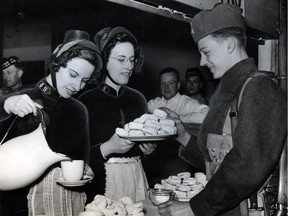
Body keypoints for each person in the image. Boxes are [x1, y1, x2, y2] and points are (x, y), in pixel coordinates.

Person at [158, 3, 287, 216]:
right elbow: (217, 162)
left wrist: (194, 208)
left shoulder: (259, 88)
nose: (202, 61)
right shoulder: (226, 90)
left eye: (206, 52)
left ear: (229, 44)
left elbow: (246, 166)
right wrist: (182, 134)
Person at [0, 29, 102, 216]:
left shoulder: (79, 110)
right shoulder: (22, 100)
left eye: (85, 80)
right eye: (73, 74)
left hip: (67, 203)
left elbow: (80, 159)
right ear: (56, 64)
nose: (77, 86)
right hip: (18, 207)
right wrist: (6, 105)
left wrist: (86, 170)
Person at [78, 26, 156, 203]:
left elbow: (148, 160)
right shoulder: (85, 101)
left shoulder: (138, 99)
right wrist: (107, 148)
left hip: (137, 181)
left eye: (132, 60)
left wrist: (149, 151)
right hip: (99, 187)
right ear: (104, 60)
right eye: (121, 60)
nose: (129, 66)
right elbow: (74, 158)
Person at [144, 68, 209, 186]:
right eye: (163, 83)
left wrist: (177, 118)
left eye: (171, 83)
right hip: (156, 160)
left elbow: (207, 115)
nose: (166, 87)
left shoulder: (187, 103)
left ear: (178, 85)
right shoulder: (154, 104)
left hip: (180, 161)